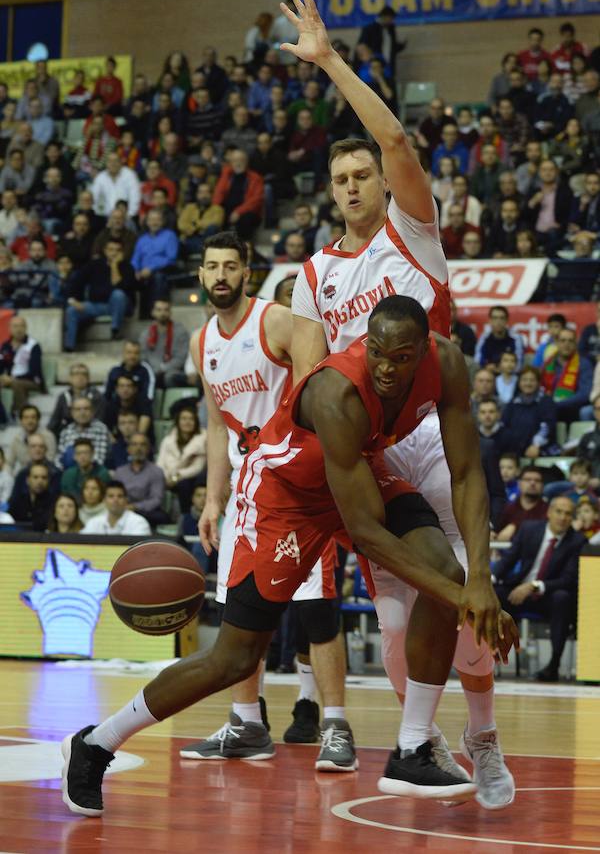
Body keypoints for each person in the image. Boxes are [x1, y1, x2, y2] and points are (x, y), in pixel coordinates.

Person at [61, 295, 520, 817]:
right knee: (233, 658)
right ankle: (97, 742)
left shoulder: (449, 364)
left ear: (424, 351)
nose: (388, 369)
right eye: (379, 354)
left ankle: (412, 748)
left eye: (402, 357)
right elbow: (367, 535)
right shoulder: (335, 392)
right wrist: (468, 601)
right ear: (365, 343)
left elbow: (467, 473)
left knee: (448, 570)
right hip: (286, 496)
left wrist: (478, 582)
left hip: (356, 473)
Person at [283, 0, 514, 807]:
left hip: (432, 432)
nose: (351, 185)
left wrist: (330, 61)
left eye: (361, 174)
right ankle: (423, 739)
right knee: (393, 628)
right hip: (369, 453)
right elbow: (308, 384)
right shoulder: (311, 276)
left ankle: (481, 735)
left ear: (381, 182)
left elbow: (394, 134)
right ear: (329, 190)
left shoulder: (411, 230)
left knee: (468, 610)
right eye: (339, 178)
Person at [183, 230, 351, 770]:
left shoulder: (274, 320)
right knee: (238, 615)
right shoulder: (201, 342)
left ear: (246, 272)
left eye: (231, 265)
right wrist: (213, 501)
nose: (222, 275)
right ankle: (246, 724)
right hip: (245, 496)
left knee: (317, 610)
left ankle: (336, 727)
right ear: (201, 276)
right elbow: (215, 428)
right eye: (212, 266)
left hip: (295, 489)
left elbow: (315, 391)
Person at [493, 496, 585, 682]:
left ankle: (553, 666)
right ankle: (487, 658)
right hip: (517, 592)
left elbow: (568, 579)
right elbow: (508, 559)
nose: (563, 517)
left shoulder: (577, 541)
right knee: (494, 594)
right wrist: (490, 580)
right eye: (559, 511)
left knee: (563, 598)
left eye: (568, 514)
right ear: (549, 513)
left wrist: (534, 586)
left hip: (548, 596)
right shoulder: (529, 529)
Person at [64, 238, 136, 351]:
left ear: (122, 252)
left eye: (117, 250)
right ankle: (69, 347)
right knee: (71, 310)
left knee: (118, 294)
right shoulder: (94, 265)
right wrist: (72, 300)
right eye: (111, 249)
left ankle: (115, 330)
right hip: (97, 305)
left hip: (121, 307)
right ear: (105, 251)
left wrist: (114, 266)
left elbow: (120, 287)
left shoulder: (128, 267)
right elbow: (76, 281)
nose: (114, 253)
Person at [156, 406, 207, 511]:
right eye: (184, 419)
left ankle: (186, 515)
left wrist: (176, 477)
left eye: (191, 419)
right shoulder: (168, 440)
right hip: (167, 478)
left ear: (196, 422)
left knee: (184, 484)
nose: (187, 422)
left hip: (189, 478)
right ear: (178, 421)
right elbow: (160, 463)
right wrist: (165, 478)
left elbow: (197, 468)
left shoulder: (202, 440)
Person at [131, 208, 179, 317]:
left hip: (162, 270)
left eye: (157, 220)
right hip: (142, 273)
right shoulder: (142, 239)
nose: (154, 222)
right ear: (147, 222)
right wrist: (135, 271)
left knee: (157, 278)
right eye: (151, 220)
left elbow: (171, 258)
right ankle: (134, 314)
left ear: (162, 222)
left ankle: (155, 313)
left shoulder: (170, 236)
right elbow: (135, 259)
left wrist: (151, 269)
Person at [502, 366, 557, 458]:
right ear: (519, 383)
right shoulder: (513, 403)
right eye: (524, 380)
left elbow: (547, 426)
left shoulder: (546, 402)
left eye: (532, 380)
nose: (528, 383)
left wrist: (536, 445)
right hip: (514, 449)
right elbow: (504, 425)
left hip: (539, 448)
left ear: (538, 383)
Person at [540, 327, 593, 423]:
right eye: (563, 340)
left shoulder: (584, 364)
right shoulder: (548, 363)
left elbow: (585, 394)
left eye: (570, 341)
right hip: (549, 408)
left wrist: (558, 404)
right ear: (556, 343)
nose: (566, 344)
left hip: (572, 410)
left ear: (575, 344)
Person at [113, 434, 167, 526]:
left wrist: (135, 507)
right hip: (123, 510)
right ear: (128, 449)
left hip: (147, 513)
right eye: (134, 444)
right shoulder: (120, 472)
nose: (138, 448)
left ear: (148, 449)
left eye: (142, 444)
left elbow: (156, 499)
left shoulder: (156, 471)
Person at [139, 299, 190, 388]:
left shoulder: (180, 332)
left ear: (170, 312)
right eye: (159, 310)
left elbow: (181, 357)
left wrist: (163, 369)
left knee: (169, 377)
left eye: (166, 310)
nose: (162, 313)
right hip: (152, 371)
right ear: (153, 312)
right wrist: (154, 370)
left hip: (174, 371)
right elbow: (143, 357)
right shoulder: (146, 334)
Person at [0, 314, 44, 414]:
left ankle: (20, 413)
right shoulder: (5, 345)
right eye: (15, 326)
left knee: (16, 384)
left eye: (21, 326)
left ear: (26, 328)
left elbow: (35, 371)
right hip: (10, 379)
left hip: (32, 381)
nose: (18, 329)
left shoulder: (33, 345)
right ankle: (2, 417)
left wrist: (12, 379)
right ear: (9, 328)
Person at [48, 364, 104, 440]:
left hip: (92, 434)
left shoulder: (96, 396)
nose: (80, 377)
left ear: (88, 378)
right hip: (68, 435)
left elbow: (98, 419)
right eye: (76, 374)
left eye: (84, 374)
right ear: (70, 378)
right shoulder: (63, 397)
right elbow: (54, 422)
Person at [56, 398, 112, 469]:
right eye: (78, 409)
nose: (82, 412)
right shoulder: (66, 431)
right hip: (69, 472)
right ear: (72, 412)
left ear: (92, 411)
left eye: (86, 409)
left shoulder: (100, 429)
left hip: (92, 472)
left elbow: (99, 460)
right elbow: (59, 458)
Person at [495, 466, 548, 542]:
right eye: (527, 480)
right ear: (519, 484)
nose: (532, 483)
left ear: (542, 486)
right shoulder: (506, 509)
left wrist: (515, 525)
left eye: (537, 480)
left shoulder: (549, 511)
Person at [80, 480, 151, 536]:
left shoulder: (139, 523)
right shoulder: (94, 522)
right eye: (111, 496)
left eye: (120, 496)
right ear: (104, 500)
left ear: (126, 500)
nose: (115, 500)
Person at [7, 403, 56, 473]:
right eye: (26, 418)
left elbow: (50, 460)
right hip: (24, 475)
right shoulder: (17, 439)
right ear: (21, 421)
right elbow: (9, 462)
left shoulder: (48, 436)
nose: (30, 421)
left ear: (38, 420)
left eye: (33, 417)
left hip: (44, 474)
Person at [178, 183, 225, 255]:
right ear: (197, 194)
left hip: (208, 238)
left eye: (207, 192)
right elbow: (181, 224)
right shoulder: (189, 207)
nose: (204, 195)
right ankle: (202, 249)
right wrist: (195, 229)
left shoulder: (218, 209)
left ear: (211, 195)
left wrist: (195, 224)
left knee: (212, 228)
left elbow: (216, 222)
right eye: (201, 192)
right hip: (191, 238)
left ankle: (203, 249)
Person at [91, 152, 141, 219]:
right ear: (106, 163)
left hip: (126, 217)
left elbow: (135, 197)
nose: (113, 164)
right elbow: (94, 198)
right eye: (110, 161)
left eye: (115, 161)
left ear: (120, 162)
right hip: (104, 217)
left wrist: (130, 214)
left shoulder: (130, 175)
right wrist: (98, 214)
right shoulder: (100, 178)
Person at [475, 306, 524, 372]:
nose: (498, 321)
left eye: (502, 318)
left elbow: (519, 364)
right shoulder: (484, 337)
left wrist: (502, 370)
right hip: (489, 374)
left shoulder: (516, 338)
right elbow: (477, 360)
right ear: (490, 320)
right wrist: (486, 367)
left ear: (507, 320)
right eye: (495, 318)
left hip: (509, 374)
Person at [8, 461, 55, 530]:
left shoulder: (54, 502)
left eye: (44, 477)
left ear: (48, 480)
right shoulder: (17, 501)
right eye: (35, 477)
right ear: (28, 480)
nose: (40, 481)